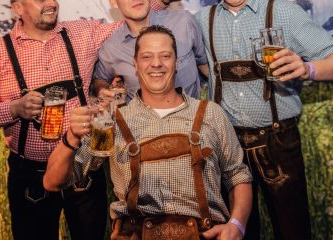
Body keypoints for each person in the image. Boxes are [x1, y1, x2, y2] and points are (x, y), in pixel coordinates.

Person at [0, 0, 183, 240]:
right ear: (18, 8)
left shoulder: (80, 33)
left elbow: (125, 26)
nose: (52, 3)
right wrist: (13, 109)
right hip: (31, 173)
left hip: (84, 169)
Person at [195, 0, 333, 240]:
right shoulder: (202, 20)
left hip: (277, 140)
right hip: (227, 144)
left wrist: (308, 69)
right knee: (237, 233)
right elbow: (194, 64)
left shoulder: (281, 11)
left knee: (292, 230)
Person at [43, 25, 253, 240]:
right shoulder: (111, 121)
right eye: (146, 57)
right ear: (135, 64)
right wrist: (71, 139)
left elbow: (238, 175)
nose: (156, 64)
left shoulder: (210, 113)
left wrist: (237, 225)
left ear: (176, 62)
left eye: (165, 56)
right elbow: (53, 182)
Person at [94, 0, 208, 102]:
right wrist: (101, 89)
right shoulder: (112, 48)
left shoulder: (184, 22)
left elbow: (205, 66)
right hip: (139, 123)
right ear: (113, 1)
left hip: (193, 120)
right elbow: (99, 80)